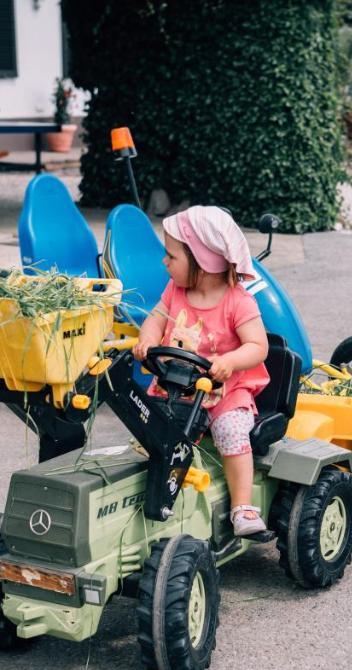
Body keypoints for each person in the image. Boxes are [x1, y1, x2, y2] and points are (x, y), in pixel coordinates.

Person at [133, 206, 271, 536]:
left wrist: (231, 361)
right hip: (176, 386)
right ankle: (150, 489)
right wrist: (147, 340)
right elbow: (155, 318)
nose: (164, 262)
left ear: (203, 262)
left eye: (171, 256)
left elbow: (258, 346)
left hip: (224, 389)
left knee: (231, 430)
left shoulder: (238, 302)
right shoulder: (175, 291)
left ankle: (242, 507)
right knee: (148, 424)